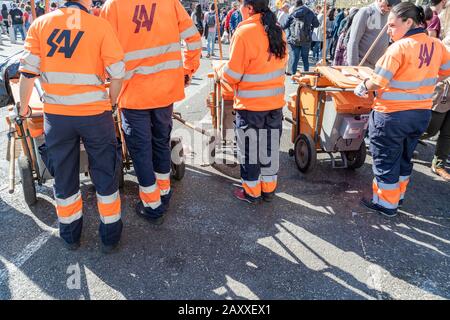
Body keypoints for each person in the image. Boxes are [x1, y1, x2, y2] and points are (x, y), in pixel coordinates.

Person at [19, 0, 126, 252]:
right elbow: (117, 74)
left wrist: (23, 110)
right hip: (95, 115)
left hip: (57, 117)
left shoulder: (40, 24)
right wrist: (110, 104)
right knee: (105, 172)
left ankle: (70, 236)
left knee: (64, 177)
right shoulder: (100, 26)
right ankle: (110, 236)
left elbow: (27, 74)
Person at [100, 0, 201, 224]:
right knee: (160, 142)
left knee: (141, 150)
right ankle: (163, 192)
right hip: (165, 90)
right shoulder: (170, 2)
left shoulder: (113, 6)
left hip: (133, 94)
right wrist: (188, 69)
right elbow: (193, 38)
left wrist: (107, 83)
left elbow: (102, 50)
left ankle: (152, 204)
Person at [354, 2, 450, 217]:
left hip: (392, 115)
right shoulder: (436, 44)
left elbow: (378, 81)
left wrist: (363, 87)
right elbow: (445, 71)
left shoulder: (399, 48)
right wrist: (424, 81)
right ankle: (398, 196)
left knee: (386, 159)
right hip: (420, 114)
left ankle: (386, 204)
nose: (388, 30)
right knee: (405, 158)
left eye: (392, 25)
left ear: (408, 22)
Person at [217, 0, 287, 204]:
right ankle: (268, 189)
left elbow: (233, 74)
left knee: (250, 151)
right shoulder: (277, 30)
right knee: (269, 148)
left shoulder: (244, 32)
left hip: (251, 107)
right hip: (274, 105)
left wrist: (221, 71)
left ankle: (252, 192)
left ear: (249, 8)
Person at [422, 0, 450, 181]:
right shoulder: (446, 39)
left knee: (448, 132)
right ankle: (404, 142)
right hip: (444, 87)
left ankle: (439, 163)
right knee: (431, 128)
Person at [347, 0, 401, 68]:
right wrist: (353, 66)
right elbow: (353, 41)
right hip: (361, 64)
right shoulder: (366, 12)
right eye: (388, 5)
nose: (388, 8)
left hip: (377, 66)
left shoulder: (389, 15)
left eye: (391, 7)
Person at [282, 0, 319, 75]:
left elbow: (285, 25)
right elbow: (316, 24)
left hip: (294, 39)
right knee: (305, 59)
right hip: (306, 39)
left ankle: (294, 76)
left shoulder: (293, 13)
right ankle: (306, 75)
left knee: (295, 58)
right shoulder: (310, 12)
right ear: (302, 4)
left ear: (296, 5)